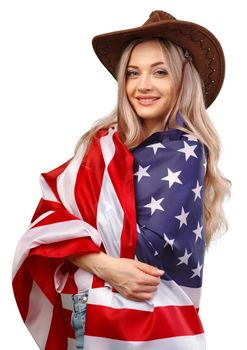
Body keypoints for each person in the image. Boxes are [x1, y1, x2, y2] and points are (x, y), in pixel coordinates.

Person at [12, 10, 231, 350]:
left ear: (183, 80)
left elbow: (144, 255)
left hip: (141, 324)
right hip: (85, 308)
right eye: (133, 73)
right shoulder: (102, 145)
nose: (142, 85)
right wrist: (103, 264)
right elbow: (47, 218)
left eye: (160, 72)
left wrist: (79, 245)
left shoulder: (184, 152)